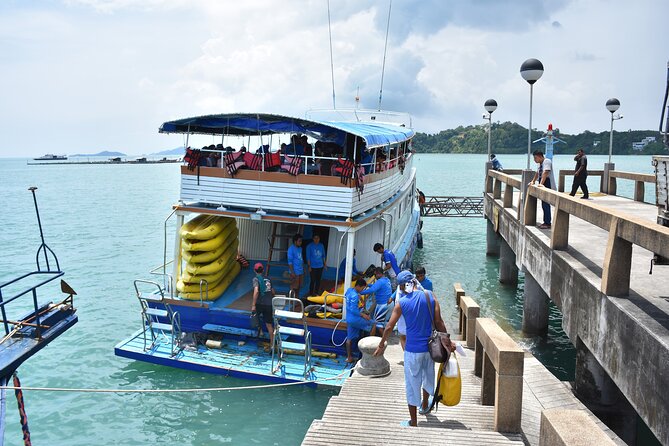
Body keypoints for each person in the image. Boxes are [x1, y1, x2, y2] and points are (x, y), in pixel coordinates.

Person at [374, 271, 452, 427]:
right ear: (415, 281)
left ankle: (414, 422)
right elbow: (439, 322)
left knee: (412, 383)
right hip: (430, 349)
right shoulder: (430, 296)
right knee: (427, 377)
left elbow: (389, 327)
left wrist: (381, 344)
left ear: (403, 286)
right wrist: (448, 343)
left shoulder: (401, 303)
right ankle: (424, 406)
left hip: (412, 350)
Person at [345, 278, 376, 363]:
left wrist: (360, 298)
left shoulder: (349, 291)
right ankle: (370, 349)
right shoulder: (355, 296)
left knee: (349, 339)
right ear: (358, 286)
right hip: (355, 319)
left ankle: (349, 357)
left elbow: (347, 297)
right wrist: (363, 315)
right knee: (374, 324)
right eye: (362, 288)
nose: (362, 290)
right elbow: (354, 310)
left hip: (349, 318)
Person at [530, 150, 556, 229]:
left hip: (548, 184)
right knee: (544, 204)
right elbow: (538, 173)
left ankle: (547, 223)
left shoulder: (547, 161)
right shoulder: (540, 164)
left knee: (546, 204)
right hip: (544, 183)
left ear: (540, 156)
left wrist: (541, 184)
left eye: (535, 158)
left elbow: (546, 172)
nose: (534, 160)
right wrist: (533, 181)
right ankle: (546, 222)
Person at [251, 263, 275, 346]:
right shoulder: (268, 279)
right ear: (263, 270)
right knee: (269, 325)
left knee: (255, 316)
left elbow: (256, 291)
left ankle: (260, 331)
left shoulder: (256, 279)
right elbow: (272, 291)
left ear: (254, 270)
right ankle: (272, 343)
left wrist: (253, 305)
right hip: (269, 304)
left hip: (260, 303)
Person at [287, 234, 304, 301]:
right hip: (295, 271)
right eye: (299, 241)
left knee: (299, 286)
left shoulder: (300, 248)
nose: (300, 242)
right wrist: (292, 272)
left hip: (300, 270)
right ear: (295, 241)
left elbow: (300, 259)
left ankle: (297, 299)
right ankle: (292, 300)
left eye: (301, 241)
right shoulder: (291, 249)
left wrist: (303, 269)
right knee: (294, 286)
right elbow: (290, 262)